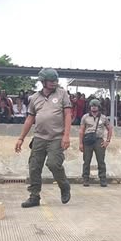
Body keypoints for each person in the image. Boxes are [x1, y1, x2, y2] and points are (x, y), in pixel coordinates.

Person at [15, 68, 72, 208]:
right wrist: (21, 138)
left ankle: (64, 186)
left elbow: (68, 115)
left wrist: (66, 136)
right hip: (39, 137)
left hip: (56, 137)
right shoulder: (35, 98)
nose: (54, 83)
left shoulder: (62, 94)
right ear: (43, 82)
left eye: (55, 80)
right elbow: (30, 119)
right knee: (34, 167)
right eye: (51, 81)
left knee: (53, 163)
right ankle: (34, 196)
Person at [79, 99, 113, 187]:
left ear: (99, 107)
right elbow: (81, 130)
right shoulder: (85, 117)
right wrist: (80, 143)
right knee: (86, 161)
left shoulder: (103, 117)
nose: (94, 107)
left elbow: (110, 129)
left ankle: (103, 179)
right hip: (87, 140)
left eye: (95, 105)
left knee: (101, 161)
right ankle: (85, 179)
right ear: (90, 107)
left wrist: (107, 141)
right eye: (92, 105)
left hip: (99, 140)